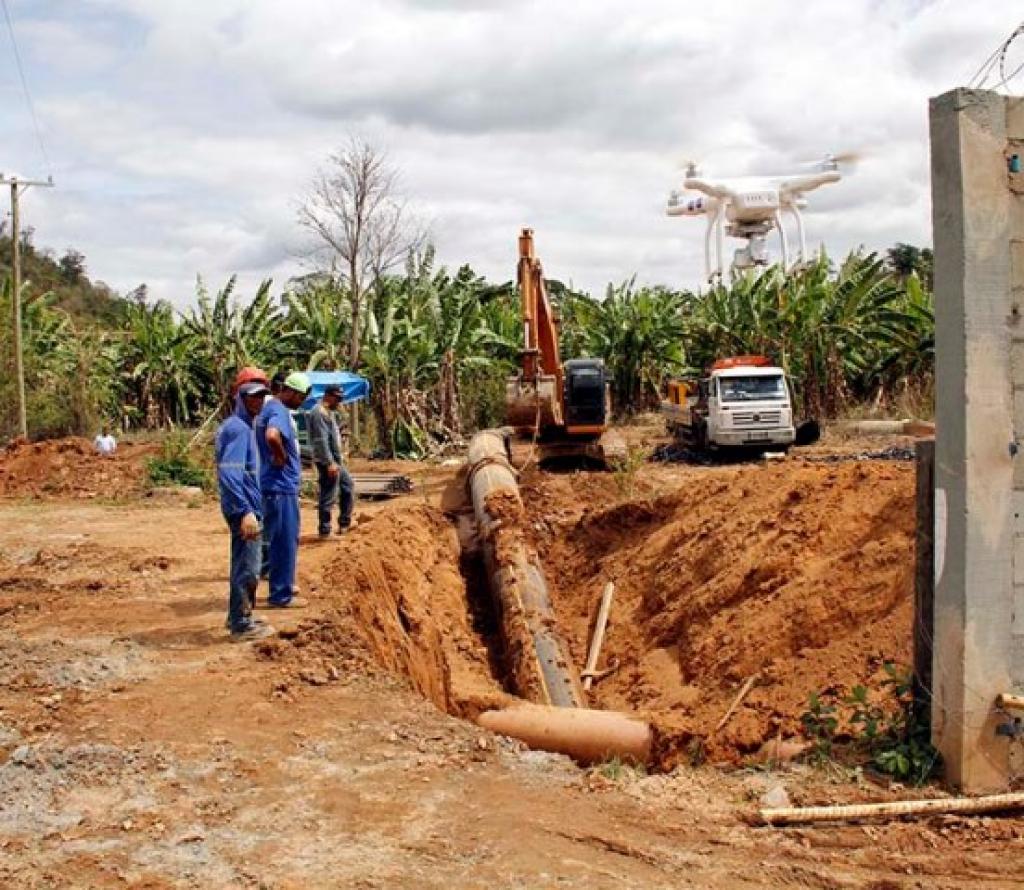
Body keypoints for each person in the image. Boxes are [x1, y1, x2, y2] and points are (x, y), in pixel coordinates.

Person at [215, 376, 275, 641]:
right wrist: (244, 511)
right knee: (248, 566)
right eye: (253, 396)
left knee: (244, 562)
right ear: (241, 399)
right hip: (244, 509)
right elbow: (229, 474)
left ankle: (240, 616)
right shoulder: (239, 429)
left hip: (247, 505)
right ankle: (241, 623)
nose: (258, 401)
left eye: (262, 396)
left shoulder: (243, 427)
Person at [255, 371, 310, 608]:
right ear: (292, 392)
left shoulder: (268, 409)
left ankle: (282, 586)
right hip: (280, 487)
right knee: (285, 541)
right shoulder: (277, 410)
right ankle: (280, 595)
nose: (302, 403)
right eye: (301, 398)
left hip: (275, 485)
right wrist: (280, 456)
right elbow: (272, 435)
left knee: (278, 539)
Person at [308, 383, 355, 537]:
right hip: (328, 462)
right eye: (337, 398)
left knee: (347, 487)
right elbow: (320, 441)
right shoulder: (318, 413)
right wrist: (329, 463)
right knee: (328, 495)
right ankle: (325, 530)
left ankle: (344, 523)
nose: (339, 402)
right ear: (328, 396)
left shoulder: (329, 413)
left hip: (336, 461)